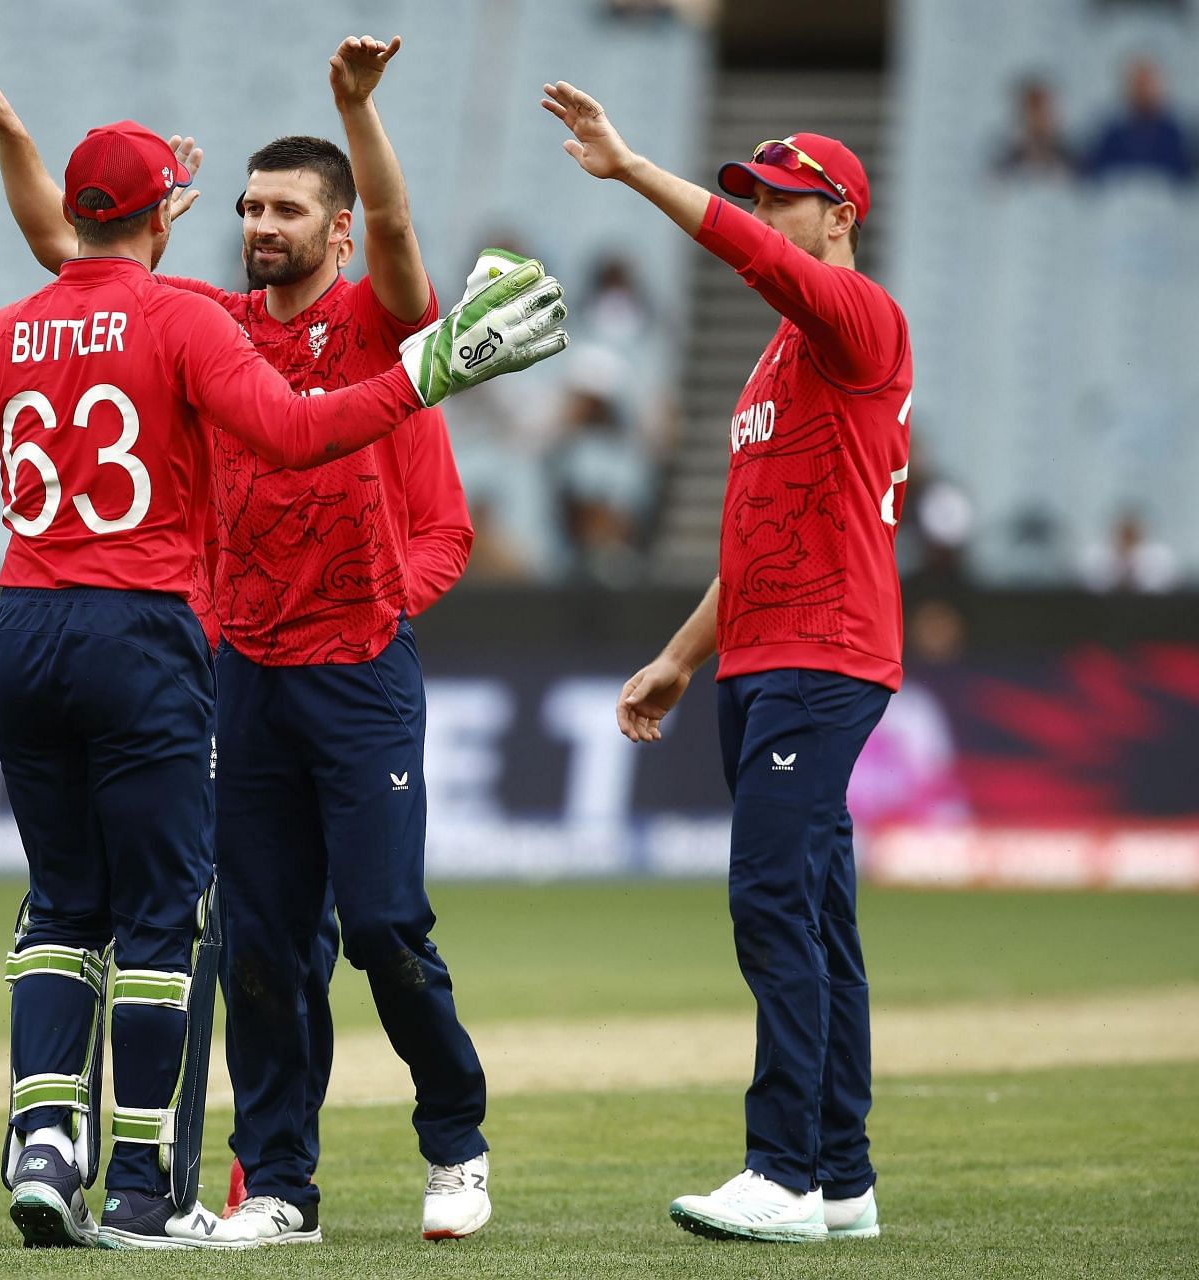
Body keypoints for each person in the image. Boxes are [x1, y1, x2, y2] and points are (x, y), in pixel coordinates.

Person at [0, 117, 567, 1251]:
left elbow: (387, 270)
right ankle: (267, 1190)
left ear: (337, 231)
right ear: (186, 218)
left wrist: (358, 113)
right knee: (251, 946)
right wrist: (24, 142)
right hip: (229, 659)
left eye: (285, 211)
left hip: (343, 664)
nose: (260, 226)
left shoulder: (360, 321)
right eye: (247, 209)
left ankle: (449, 1136)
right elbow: (75, 252)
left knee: (381, 931)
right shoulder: (203, 322)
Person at [543, 82, 911, 1243]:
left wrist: (637, 168)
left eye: (784, 199)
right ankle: (841, 1177)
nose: (764, 212)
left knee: (765, 899)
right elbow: (756, 541)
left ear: (839, 214)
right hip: (763, 654)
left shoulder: (857, 317)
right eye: (754, 193)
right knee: (816, 916)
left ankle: (785, 1170)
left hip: (823, 655)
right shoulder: (775, 366)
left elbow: (757, 260)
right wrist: (678, 656)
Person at [1083, 56, 1193, 185]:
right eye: (1138, 85)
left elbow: (1185, 177)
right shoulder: (1113, 135)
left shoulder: (1173, 135)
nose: (1143, 92)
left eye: (1147, 86)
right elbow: (1098, 174)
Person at [994, 77, 1078, 180]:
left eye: (1043, 113)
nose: (1037, 120)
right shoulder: (1002, 175)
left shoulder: (1075, 171)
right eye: (1031, 112)